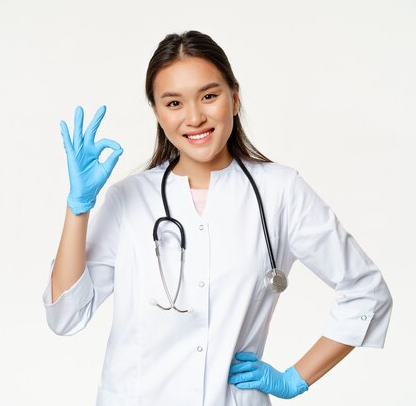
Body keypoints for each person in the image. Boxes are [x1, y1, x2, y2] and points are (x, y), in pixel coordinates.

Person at [42, 30, 393, 406]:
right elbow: (65, 316)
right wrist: (78, 208)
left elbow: (365, 291)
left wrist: (295, 378)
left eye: (209, 96)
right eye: (173, 103)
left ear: (234, 97)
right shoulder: (129, 198)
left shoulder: (280, 191)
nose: (194, 117)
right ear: (158, 113)